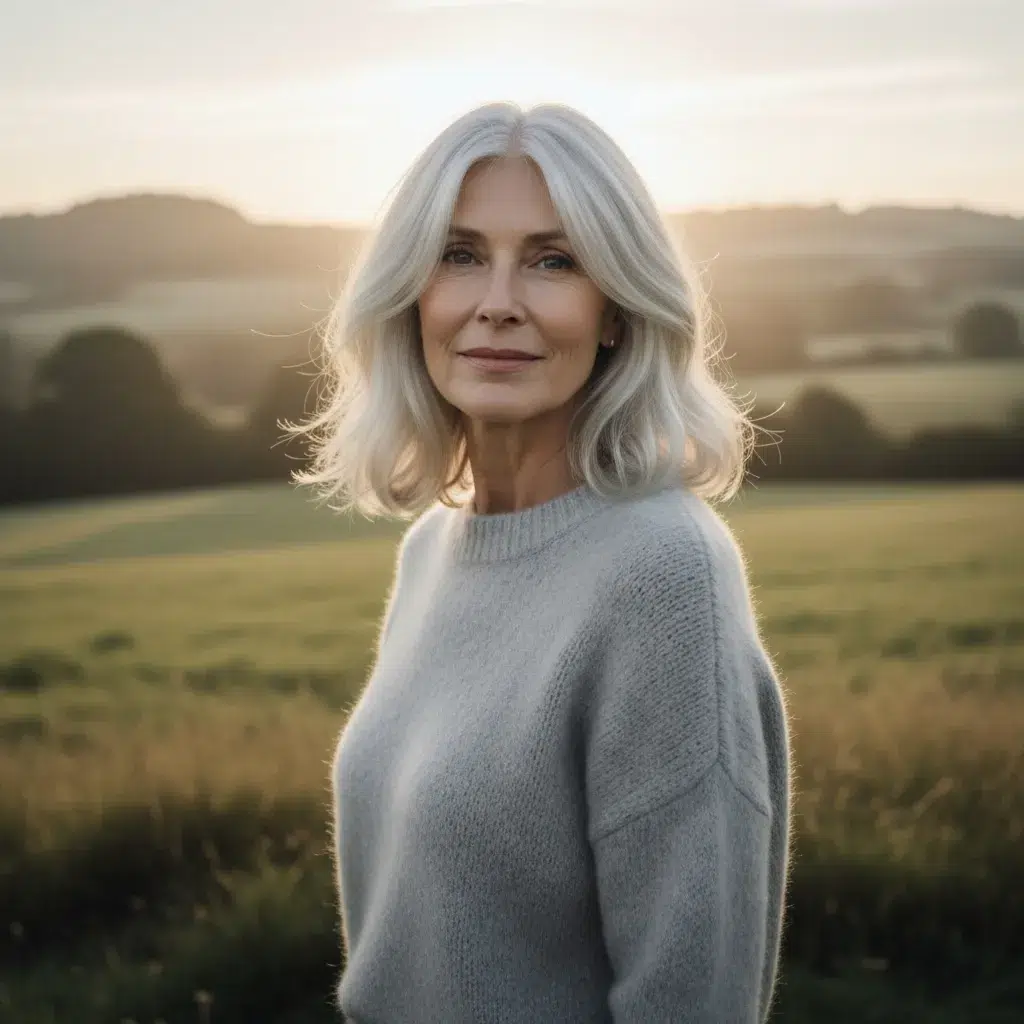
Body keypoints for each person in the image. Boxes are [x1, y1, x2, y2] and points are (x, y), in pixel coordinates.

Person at [292, 100, 791, 1023]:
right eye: (460, 254)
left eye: (553, 261)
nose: (498, 301)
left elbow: (695, 998)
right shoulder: (432, 550)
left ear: (616, 313)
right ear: (411, 293)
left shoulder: (664, 575)